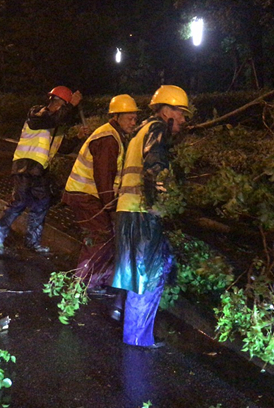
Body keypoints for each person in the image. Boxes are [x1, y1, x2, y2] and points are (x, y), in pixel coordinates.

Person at [111, 85, 191, 348]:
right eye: (180, 113)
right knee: (148, 275)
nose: (183, 119)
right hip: (142, 213)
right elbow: (155, 168)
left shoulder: (140, 130)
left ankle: (131, 329)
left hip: (127, 211)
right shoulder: (157, 130)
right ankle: (138, 339)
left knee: (137, 273)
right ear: (166, 111)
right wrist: (160, 203)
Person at [0, 86, 88, 254]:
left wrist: (78, 137)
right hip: (25, 166)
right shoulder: (37, 113)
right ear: (57, 102)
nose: (64, 110)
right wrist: (71, 106)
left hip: (40, 170)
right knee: (19, 202)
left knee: (41, 205)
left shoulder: (56, 126)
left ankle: (32, 242)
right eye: (64, 105)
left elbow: (63, 148)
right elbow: (49, 120)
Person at [62, 95, 140, 298]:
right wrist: (110, 207)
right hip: (86, 196)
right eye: (129, 118)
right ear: (116, 116)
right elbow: (104, 177)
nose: (133, 122)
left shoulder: (113, 135)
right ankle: (83, 283)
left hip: (86, 195)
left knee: (102, 237)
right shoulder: (108, 139)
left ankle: (95, 279)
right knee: (100, 237)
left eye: (135, 118)